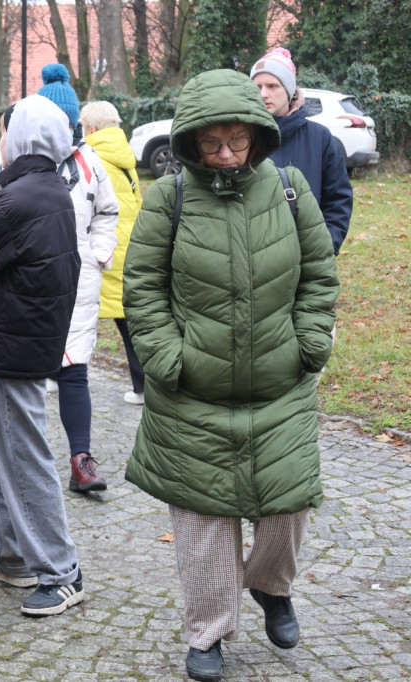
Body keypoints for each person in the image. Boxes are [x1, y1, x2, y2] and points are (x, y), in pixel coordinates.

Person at [122, 69, 339, 682]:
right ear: (190, 143)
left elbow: (320, 276)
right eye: (212, 143)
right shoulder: (170, 198)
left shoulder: (292, 189)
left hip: (280, 386)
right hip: (193, 393)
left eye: (237, 141)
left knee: (286, 508)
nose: (225, 154)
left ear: (257, 136)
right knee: (204, 522)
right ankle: (209, 633)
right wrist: (168, 357)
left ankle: (271, 587)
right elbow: (142, 286)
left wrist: (311, 340)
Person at [0, 94, 86, 618]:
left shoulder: (20, 200)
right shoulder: (47, 188)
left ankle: (62, 570)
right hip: (25, 339)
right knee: (0, 452)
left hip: (14, 342)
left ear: (23, 140)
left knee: (22, 454)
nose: (0, 138)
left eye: (5, 130)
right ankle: (11, 555)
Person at [37, 64, 119, 494]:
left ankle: (80, 460)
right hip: (29, 284)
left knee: (74, 370)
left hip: (80, 280)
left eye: (69, 123)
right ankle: (23, 465)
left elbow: (108, 211)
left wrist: (99, 252)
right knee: (27, 374)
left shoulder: (90, 162)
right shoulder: (12, 157)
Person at [250, 48, 353, 255]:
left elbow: (338, 199)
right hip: (253, 260)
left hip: (305, 258)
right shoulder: (240, 138)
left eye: (272, 86)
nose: (263, 93)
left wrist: (325, 247)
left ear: (289, 90)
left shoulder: (320, 138)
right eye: (258, 86)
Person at [83, 101, 146, 406]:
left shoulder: (92, 157)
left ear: (91, 129)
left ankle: (58, 375)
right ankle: (143, 386)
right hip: (129, 247)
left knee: (75, 315)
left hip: (101, 246)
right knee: (129, 321)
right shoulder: (125, 156)